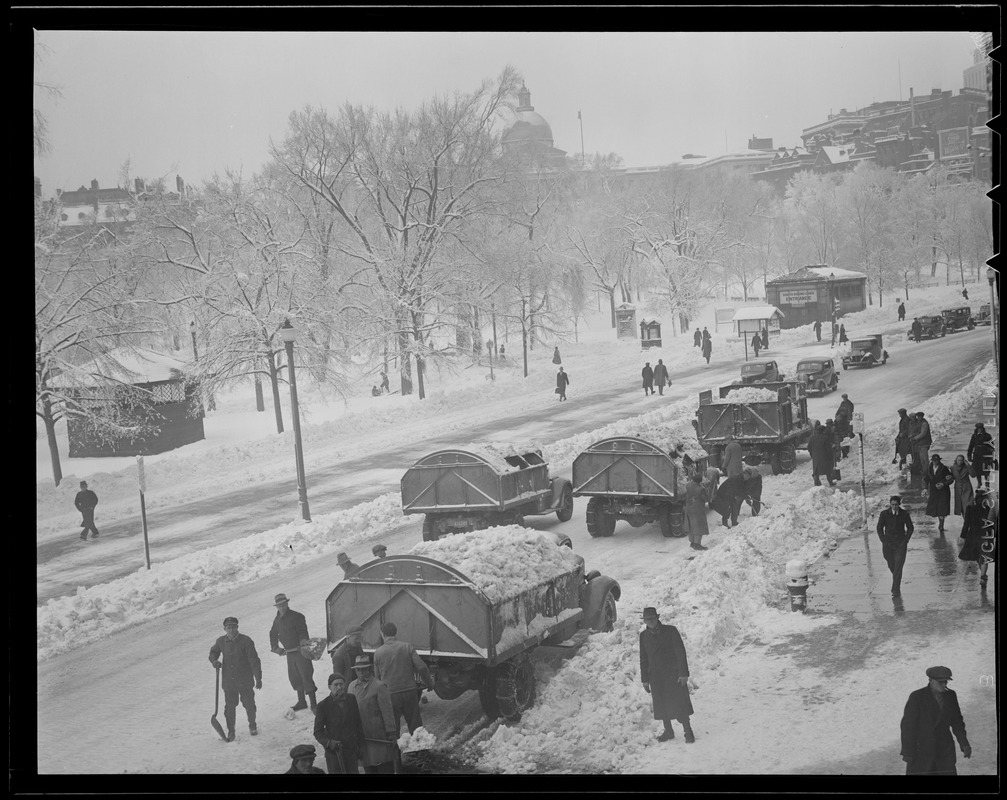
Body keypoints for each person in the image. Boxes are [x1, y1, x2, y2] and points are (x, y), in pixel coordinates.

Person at [900, 666, 972, 775]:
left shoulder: (951, 696)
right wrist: (908, 752)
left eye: (946, 682)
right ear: (931, 681)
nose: (944, 685)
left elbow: (957, 722)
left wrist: (964, 743)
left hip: (945, 752)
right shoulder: (917, 697)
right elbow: (908, 726)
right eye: (940, 682)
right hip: (921, 752)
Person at [639, 607, 696, 743]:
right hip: (656, 677)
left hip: (673, 674)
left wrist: (683, 673)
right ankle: (668, 731)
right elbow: (643, 659)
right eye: (648, 619)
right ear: (645, 621)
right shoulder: (643, 636)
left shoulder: (670, 631)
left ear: (658, 618)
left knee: (680, 704)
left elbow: (680, 652)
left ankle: (688, 731)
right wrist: (645, 680)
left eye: (653, 618)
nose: (651, 621)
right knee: (662, 705)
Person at [373, 621, 434, 738]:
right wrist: (429, 683)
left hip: (391, 695)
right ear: (395, 632)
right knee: (416, 726)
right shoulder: (407, 647)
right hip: (410, 692)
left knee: (393, 728)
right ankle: (420, 752)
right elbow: (421, 667)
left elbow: (377, 679)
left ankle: (396, 754)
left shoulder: (378, 652)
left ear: (383, 634)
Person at [209, 616, 262, 741]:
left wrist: (258, 678)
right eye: (228, 628)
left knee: (249, 704)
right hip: (229, 682)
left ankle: (252, 725)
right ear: (224, 629)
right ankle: (231, 731)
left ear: (237, 627)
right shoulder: (221, 641)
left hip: (245, 680)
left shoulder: (246, 641)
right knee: (230, 708)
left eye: (233, 627)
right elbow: (213, 652)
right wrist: (214, 661)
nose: (231, 630)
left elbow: (254, 660)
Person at [269, 593, 318, 713]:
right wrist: (276, 648)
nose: (282, 607)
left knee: (306, 675)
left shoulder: (297, 616)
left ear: (287, 603)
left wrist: (302, 643)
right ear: (276, 607)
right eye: (279, 605)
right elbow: (272, 634)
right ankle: (302, 702)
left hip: (301, 652)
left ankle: (314, 704)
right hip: (290, 654)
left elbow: (303, 632)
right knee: (294, 677)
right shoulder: (277, 621)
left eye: (284, 604)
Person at [348, 656, 398, 774]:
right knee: (368, 766)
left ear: (370, 669)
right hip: (362, 736)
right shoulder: (351, 686)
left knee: (384, 766)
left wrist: (391, 733)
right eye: (358, 669)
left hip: (378, 736)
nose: (361, 672)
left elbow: (388, 712)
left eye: (364, 669)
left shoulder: (379, 686)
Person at [313, 673, 364, 774]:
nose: (339, 687)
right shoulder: (323, 706)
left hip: (351, 750)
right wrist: (329, 743)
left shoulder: (351, 699)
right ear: (329, 687)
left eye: (341, 684)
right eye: (336, 685)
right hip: (335, 753)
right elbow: (317, 732)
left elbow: (358, 723)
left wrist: (361, 745)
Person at [877, 495, 915, 596]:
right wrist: (883, 540)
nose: (894, 507)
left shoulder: (904, 514)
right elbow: (879, 528)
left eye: (896, 505)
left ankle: (895, 589)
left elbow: (910, 528)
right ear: (890, 504)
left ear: (899, 504)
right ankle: (896, 578)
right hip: (888, 545)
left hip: (900, 545)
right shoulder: (884, 514)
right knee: (891, 564)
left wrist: (906, 540)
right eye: (892, 505)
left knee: (898, 566)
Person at [958, 487, 995, 587]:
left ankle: (983, 575)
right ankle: (983, 576)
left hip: (973, 537)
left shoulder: (970, 509)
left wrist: (963, 536)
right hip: (986, 536)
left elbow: (966, 524)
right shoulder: (990, 509)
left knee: (978, 558)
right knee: (984, 557)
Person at [924, 454, 953, 534]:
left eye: (936, 460)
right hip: (934, 491)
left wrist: (943, 484)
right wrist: (925, 488)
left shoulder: (944, 469)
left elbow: (950, 478)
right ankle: (940, 522)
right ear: (932, 461)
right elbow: (926, 479)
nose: (935, 462)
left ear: (939, 460)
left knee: (942, 508)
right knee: (936, 508)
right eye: (934, 460)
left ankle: (941, 525)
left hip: (943, 491)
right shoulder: (929, 468)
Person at [684, 474, 709, 551]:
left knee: (691, 525)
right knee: (699, 526)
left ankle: (692, 542)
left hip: (688, 508)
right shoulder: (701, 489)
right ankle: (697, 544)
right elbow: (706, 498)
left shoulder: (688, 485)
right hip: (697, 509)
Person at [967, 423, 995, 488]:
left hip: (985, 456)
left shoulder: (987, 436)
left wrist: (991, 456)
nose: (980, 430)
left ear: (983, 428)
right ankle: (979, 483)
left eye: (981, 428)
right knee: (977, 471)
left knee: (986, 471)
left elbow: (992, 447)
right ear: (976, 429)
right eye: (978, 428)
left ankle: (987, 484)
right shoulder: (974, 436)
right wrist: (969, 455)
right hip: (977, 456)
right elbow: (971, 446)